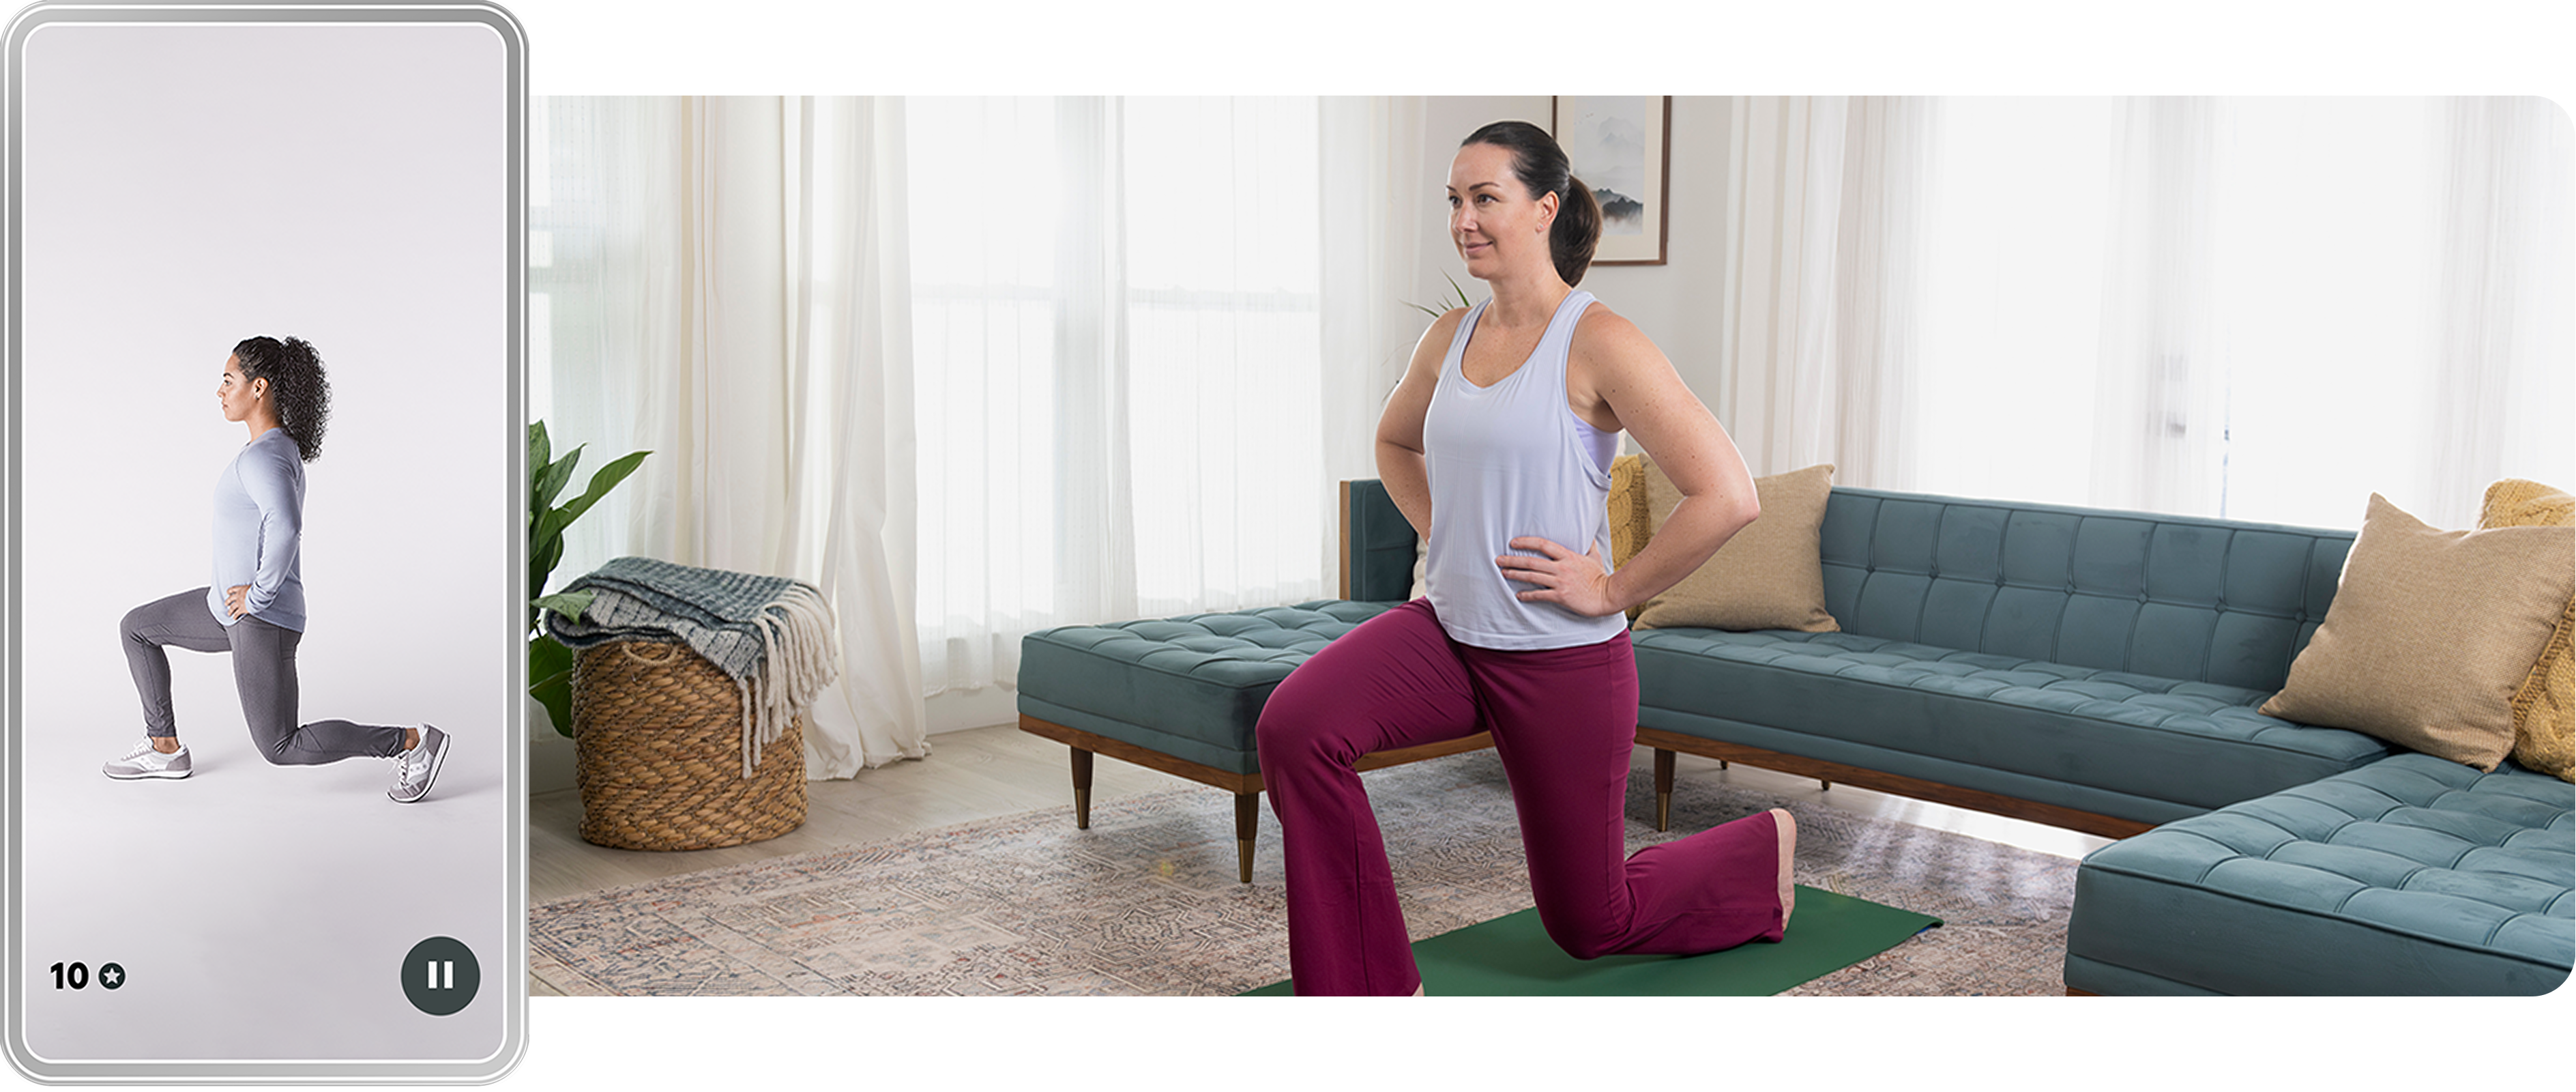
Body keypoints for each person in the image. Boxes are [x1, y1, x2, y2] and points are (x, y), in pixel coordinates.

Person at [1255, 121, 1794, 995]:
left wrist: (1613, 586)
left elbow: (1727, 493)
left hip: (1561, 659)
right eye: (1453, 201)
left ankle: (1754, 852)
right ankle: (1367, 984)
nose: (1463, 220)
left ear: (1544, 208)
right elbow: (1394, 442)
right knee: (1295, 728)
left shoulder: (1601, 341)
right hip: (1445, 635)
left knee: (1591, 922)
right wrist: (1446, 530)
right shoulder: (1449, 338)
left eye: (1484, 198)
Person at [101, 336, 452, 803]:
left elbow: (286, 526)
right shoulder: (269, 449)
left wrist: (260, 595)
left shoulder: (265, 456)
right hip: (225, 608)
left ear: (258, 387)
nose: (220, 391)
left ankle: (411, 741)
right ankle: (164, 747)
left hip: (260, 619)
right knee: (138, 628)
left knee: (280, 746)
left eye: (229, 380)